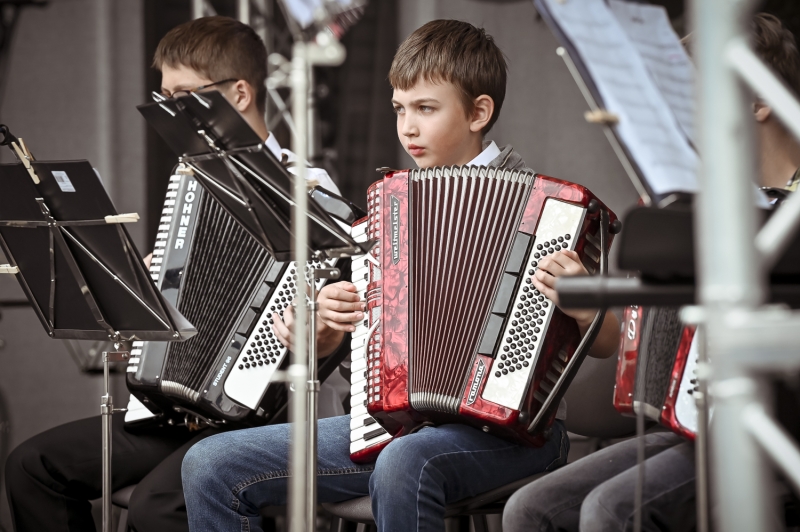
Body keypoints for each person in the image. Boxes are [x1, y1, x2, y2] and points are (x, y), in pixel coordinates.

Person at [181, 19, 620, 532]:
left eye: (425, 109)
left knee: (404, 463)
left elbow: (609, 340)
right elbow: (350, 347)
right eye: (399, 109)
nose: (407, 127)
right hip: (394, 428)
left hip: (517, 435)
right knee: (210, 464)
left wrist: (586, 305)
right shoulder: (390, 211)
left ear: (480, 112)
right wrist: (329, 325)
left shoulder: (551, 211)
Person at [4, 16, 347, 532]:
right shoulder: (190, 179)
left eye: (183, 95)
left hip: (260, 417)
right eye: (163, 95)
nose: (168, 111)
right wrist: (154, 290)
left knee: (158, 505)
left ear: (238, 94)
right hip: (174, 412)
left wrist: (304, 326)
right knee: (32, 466)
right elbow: (193, 294)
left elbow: (325, 343)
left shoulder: (309, 192)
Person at [502, 12, 800, 532]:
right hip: (698, 425)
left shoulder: (786, 212)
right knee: (529, 511)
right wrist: (591, 303)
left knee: (611, 511)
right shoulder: (708, 209)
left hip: (777, 430)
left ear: (758, 101)